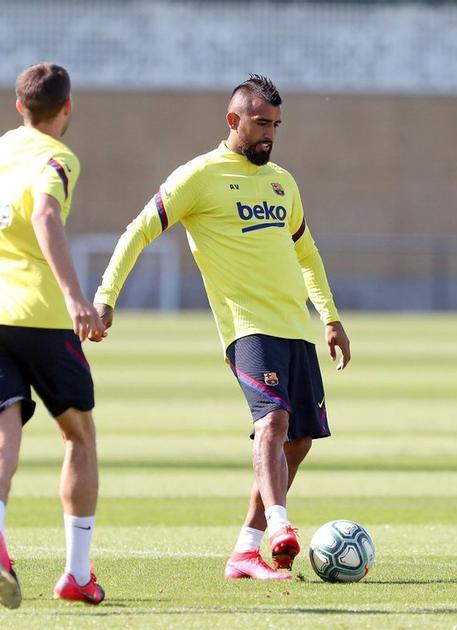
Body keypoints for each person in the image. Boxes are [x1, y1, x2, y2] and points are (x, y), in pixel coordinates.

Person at [93, 74, 351, 581]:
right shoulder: (199, 176)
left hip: (294, 329)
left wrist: (330, 316)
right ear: (233, 120)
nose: (269, 135)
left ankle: (245, 551)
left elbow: (306, 252)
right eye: (260, 124)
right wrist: (105, 296)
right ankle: (279, 525)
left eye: (276, 125)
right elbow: (138, 230)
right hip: (247, 328)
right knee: (272, 422)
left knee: (298, 441)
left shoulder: (282, 181)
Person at [0, 62, 106, 607]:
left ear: (19, 106)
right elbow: (45, 213)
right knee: (79, 437)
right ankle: (77, 574)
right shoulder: (58, 156)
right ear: (66, 108)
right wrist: (75, 299)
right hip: (40, 318)